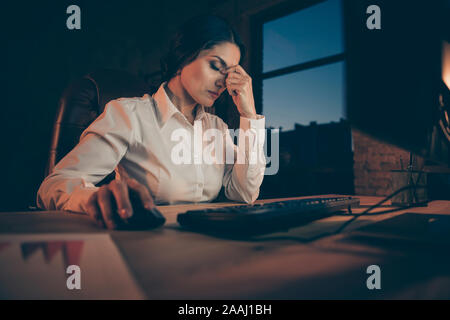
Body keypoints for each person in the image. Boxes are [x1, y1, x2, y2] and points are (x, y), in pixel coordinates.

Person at [37, 15, 266, 229]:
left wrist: (249, 114)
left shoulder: (217, 127)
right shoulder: (129, 114)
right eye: (215, 66)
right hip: (148, 245)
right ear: (183, 57)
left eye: (229, 74)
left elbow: (244, 193)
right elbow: (53, 186)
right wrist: (93, 198)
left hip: (208, 246)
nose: (222, 82)